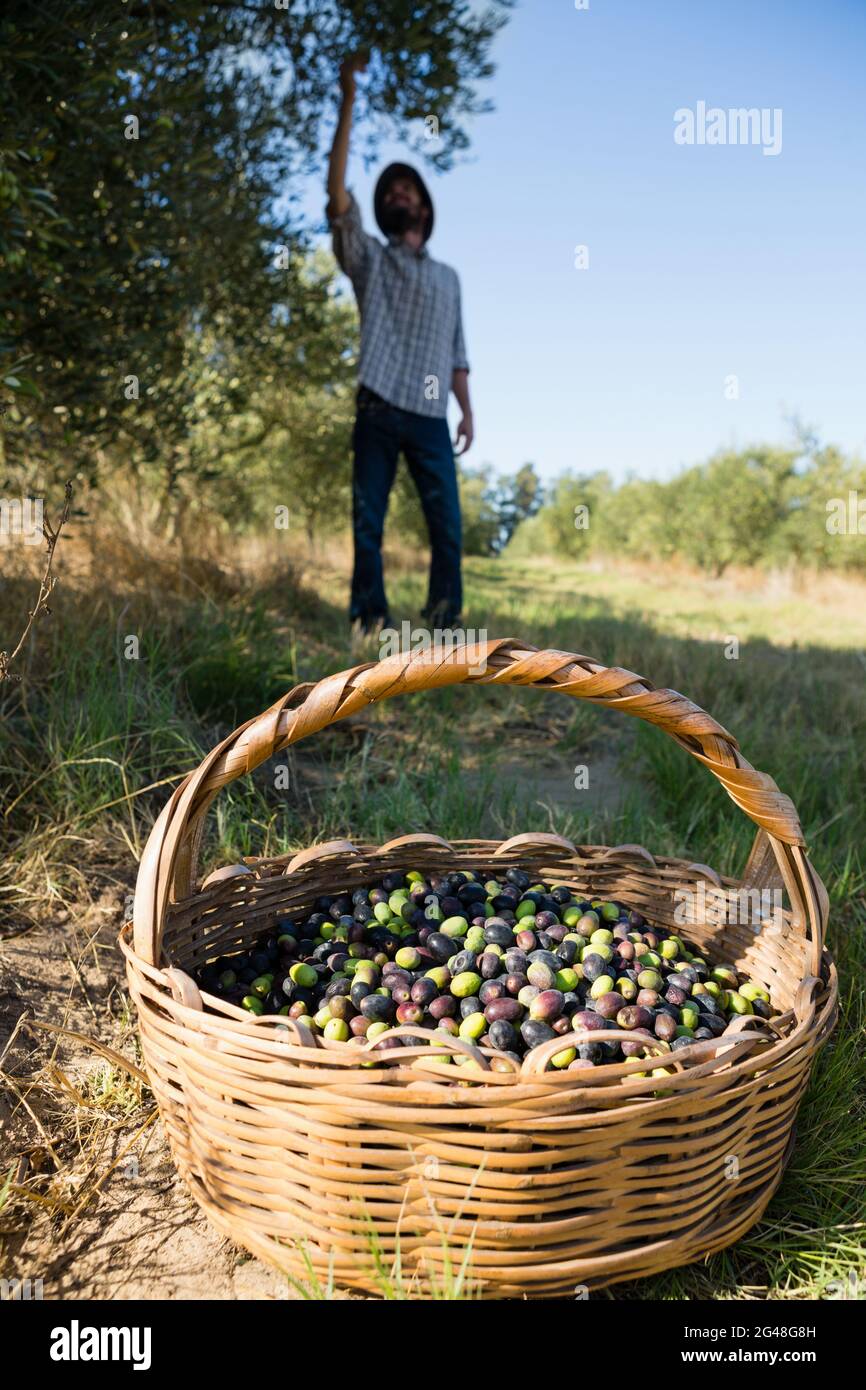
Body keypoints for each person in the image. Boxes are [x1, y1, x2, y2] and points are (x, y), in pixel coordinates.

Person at [326, 54, 474, 637]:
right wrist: (347, 99)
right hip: (380, 405)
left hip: (433, 416)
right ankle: (371, 618)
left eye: (408, 187)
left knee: (449, 527)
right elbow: (337, 193)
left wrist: (468, 410)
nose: (399, 193)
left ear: (424, 206)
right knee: (369, 520)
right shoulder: (370, 261)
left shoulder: (450, 278)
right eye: (391, 189)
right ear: (384, 208)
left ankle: (444, 626)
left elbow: (459, 352)